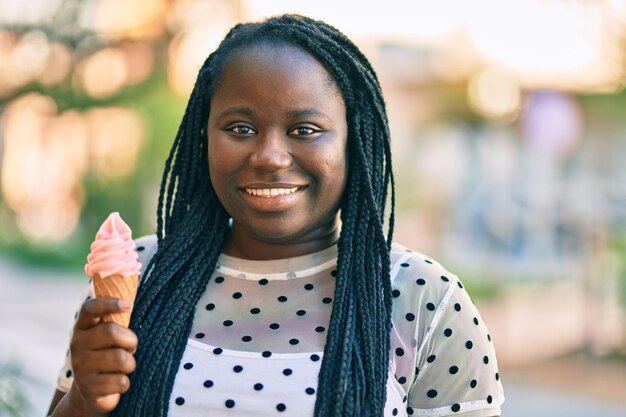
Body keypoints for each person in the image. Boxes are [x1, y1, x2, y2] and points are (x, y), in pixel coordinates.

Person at [47, 14, 504, 417]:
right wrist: (85, 402)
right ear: (202, 137)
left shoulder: (424, 297)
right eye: (240, 128)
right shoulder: (141, 273)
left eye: (305, 129)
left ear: (353, 144)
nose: (269, 156)